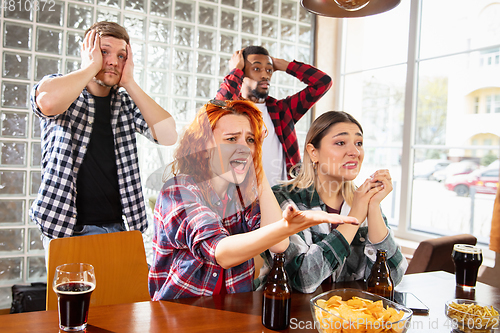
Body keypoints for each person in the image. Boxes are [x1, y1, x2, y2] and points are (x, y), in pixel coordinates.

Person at [148, 100, 358, 300]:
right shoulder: (178, 190)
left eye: (250, 140)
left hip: (234, 312)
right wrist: (285, 227)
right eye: (231, 139)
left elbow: (278, 245)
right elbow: (221, 253)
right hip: (177, 314)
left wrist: (257, 167)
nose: (245, 148)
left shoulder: (243, 195)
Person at [30, 22, 177, 255]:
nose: (112, 61)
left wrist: (129, 82)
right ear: (88, 52)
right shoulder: (63, 90)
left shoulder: (126, 104)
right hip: (66, 230)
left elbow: (169, 135)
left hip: (119, 229)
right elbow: (47, 102)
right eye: (104, 51)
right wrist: (90, 67)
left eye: (121, 55)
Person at [256, 111, 408, 294]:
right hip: (286, 315)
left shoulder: (362, 199)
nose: (355, 152)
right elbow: (302, 280)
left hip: (344, 316)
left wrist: (373, 207)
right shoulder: (282, 199)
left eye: (359, 143)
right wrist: (356, 215)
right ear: (313, 152)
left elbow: (393, 277)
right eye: (340, 143)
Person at [216, 46, 332, 186]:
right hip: (242, 198)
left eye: (269, 70)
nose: (265, 75)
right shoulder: (232, 111)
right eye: (257, 69)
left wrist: (285, 65)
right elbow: (218, 106)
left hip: (284, 198)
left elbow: (323, 83)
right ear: (242, 74)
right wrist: (236, 70)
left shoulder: (282, 111)